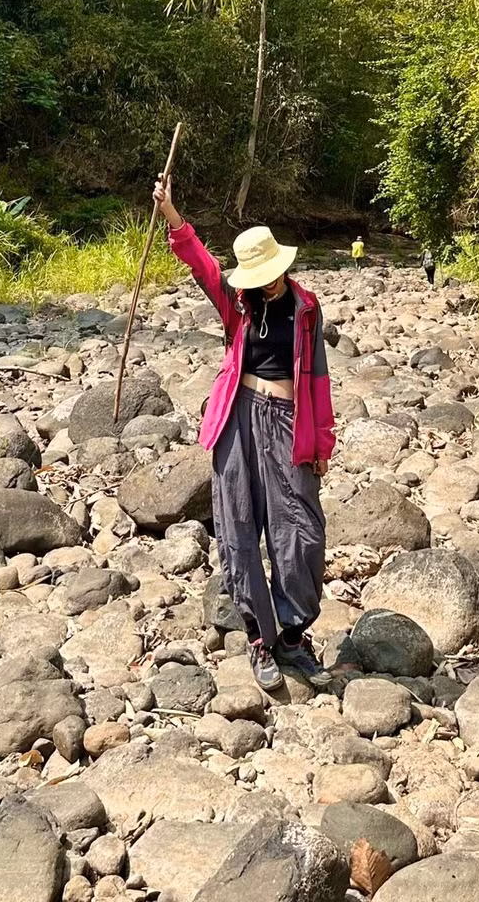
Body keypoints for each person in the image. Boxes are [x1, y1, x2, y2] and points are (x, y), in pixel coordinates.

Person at [154, 177, 336, 693]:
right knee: (237, 525)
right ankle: (259, 635)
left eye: (274, 274)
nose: (269, 284)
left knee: (301, 529)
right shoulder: (237, 303)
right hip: (237, 417)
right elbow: (202, 266)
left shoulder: (306, 308)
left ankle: (292, 634)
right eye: (261, 277)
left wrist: (322, 442)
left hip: (288, 422)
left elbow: (318, 377)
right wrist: (172, 214)